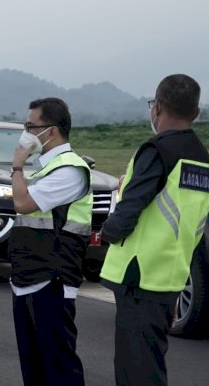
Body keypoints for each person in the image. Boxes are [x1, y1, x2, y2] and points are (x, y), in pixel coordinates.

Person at [100, 74, 209, 386]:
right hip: (171, 278)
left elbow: (126, 216)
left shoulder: (156, 151)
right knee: (150, 366)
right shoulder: (202, 159)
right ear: (197, 113)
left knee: (135, 372)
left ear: (157, 108)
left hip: (139, 278)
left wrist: (107, 231)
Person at [7, 97, 92, 386]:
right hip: (30, 277)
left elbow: (22, 203)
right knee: (35, 370)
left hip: (52, 280)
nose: (26, 133)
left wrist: (17, 167)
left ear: (51, 130)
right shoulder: (49, 167)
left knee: (59, 369)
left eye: (31, 126)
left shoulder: (69, 169)